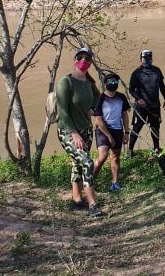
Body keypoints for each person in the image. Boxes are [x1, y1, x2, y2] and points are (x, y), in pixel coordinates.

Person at [55, 47, 103, 217]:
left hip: (86, 131)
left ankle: (76, 199)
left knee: (78, 163)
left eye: (87, 59)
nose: (84, 61)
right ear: (75, 59)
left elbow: (98, 96)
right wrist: (73, 133)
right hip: (68, 132)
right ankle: (93, 204)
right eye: (81, 57)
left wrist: (92, 108)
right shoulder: (65, 82)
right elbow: (62, 111)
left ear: (90, 63)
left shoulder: (88, 83)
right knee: (88, 162)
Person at [92, 72, 131, 191]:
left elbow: (125, 115)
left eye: (115, 82)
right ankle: (90, 181)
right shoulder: (100, 98)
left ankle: (115, 183)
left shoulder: (121, 97)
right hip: (102, 130)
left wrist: (126, 132)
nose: (113, 84)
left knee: (115, 157)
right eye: (110, 82)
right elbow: (98, 119)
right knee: (102, 156)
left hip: (118, 129)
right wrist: (109, 136)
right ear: (105, 83)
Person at [128, 49, 165, 157]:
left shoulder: (157, 70)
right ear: (141, 59)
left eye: (149, 58)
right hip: (141, 106)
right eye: (145, 58)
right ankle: (129, 151)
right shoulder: (137, 73)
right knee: (137, 127)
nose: (148, 60)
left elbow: (162, 85)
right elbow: (131, 89)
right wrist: (139, 99)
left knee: (155, 128)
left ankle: (156, 149)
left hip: (155, 105)